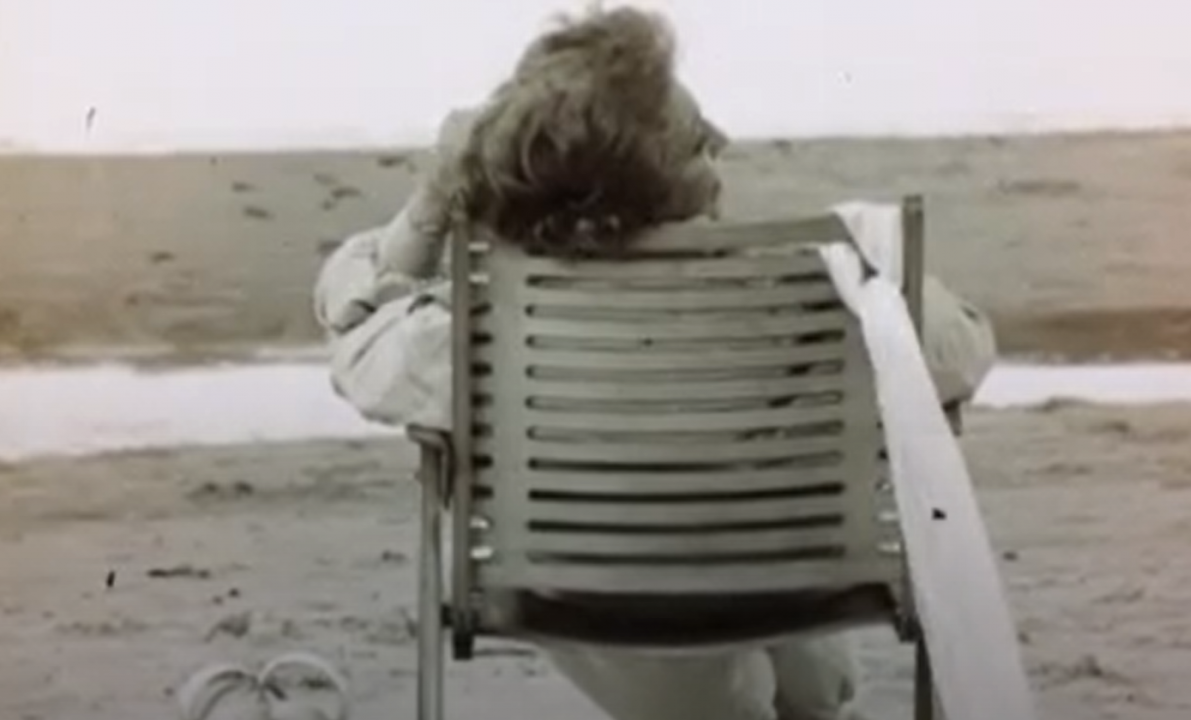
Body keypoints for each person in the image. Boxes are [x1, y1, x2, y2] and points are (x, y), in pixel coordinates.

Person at [314, 7, 996, 720]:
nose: (724, 140)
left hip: (587, 601)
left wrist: (433, 199)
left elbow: (352, 327)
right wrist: (876, 263)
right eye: (698, 141)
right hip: (799, 590)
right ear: (649, 186)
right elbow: (962, 353)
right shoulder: (807, 297)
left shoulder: (483, 326)